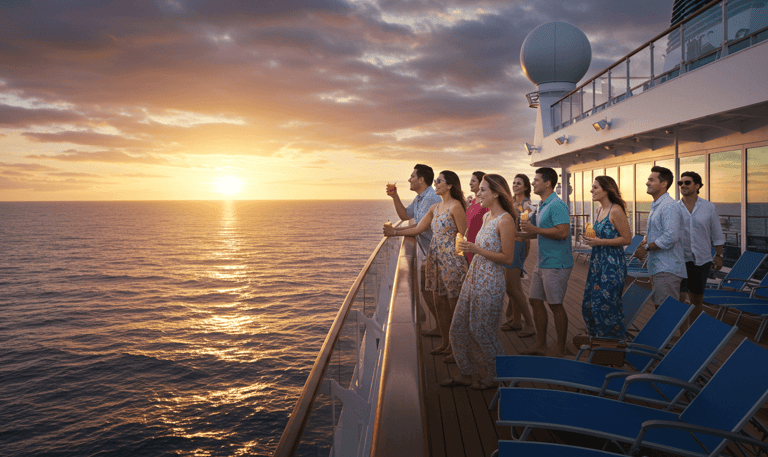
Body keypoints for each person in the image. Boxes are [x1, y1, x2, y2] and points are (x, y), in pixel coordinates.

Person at [441, 174, 516, 390]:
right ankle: (466, 372)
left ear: (496, 193)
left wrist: (476, 249)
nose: (478, 193)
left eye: (483, 190)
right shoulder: (486, 217)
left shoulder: (505, 220)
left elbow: (508, 258)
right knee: (458, 327)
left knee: (482, 330)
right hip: (474, 278)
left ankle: (500, 374)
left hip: (490, 281)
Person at [384, 171, 468, 356]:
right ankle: (446, 343)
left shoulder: (456, 207)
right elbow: (418, 227)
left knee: (454, 305)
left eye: (439, 181)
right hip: (435, 259)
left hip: (452, 261)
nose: (436, 183)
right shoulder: (435, 207)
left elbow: (463, 236)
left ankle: (458, 349)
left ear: (450, 185)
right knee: (439, 302)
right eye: (436, 180)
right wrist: (395, 232)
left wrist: (463, 264)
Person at [518, 167, 573, 358]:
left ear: (547, 183)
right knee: (534, 300)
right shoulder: (542, 204)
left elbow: (563, 232)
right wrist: (519, 234)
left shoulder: (557, 205)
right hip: (543, 262)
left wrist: (534, 229)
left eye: (536, 180)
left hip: (557, 263)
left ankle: (560, 347)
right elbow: (538, 232)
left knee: (556, 305)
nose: (532, 183)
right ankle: (541, 344)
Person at [386, 164, 442, 336]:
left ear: (421, 179)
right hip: (431, 254)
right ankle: (442, 328)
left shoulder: (431, 198)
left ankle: (447, 332)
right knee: (429, 290)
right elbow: (405, 215)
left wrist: (394, 232)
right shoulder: (420, 198)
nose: (409, 179)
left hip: (440, 253)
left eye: (412, 176)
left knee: (439, 295)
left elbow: (420, 227)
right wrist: (395, 196)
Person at [581, 176, 632, 338]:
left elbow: (627, 239)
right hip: (597, 264)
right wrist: (591, 238)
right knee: (589, 304)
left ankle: (612, 344)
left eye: (595, 187)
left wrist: (599, 241)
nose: (591, 190)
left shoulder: (615, 210)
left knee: (606, 305)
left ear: (606, 189)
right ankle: (597, 338)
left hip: (612, 266)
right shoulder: (598, 211)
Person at [677, 171, 724, 331]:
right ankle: (683, 333)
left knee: (697, 298)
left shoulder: (708, 207)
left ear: (697, 185)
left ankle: (693, 331)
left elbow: (717, 232)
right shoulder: (674, 208)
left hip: (701, 260)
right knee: (680, 297)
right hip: (680, 259)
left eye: (687, 182)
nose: (682, 185)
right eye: (680, 183)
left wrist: (719, 255)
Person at [634, 166, 686, 308]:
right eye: (648, 180)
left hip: (667, 268)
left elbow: (670, 237)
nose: (647, 183)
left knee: (666, 311)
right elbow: (657, 232)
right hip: (658, 267)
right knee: (660, 307)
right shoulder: (657, 205)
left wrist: (645, 248)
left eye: (651, 180)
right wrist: (644, 242)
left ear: (664, 184)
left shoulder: (669, 206)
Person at [501, 174, 536, 337]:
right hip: (508, 244)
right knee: (515, 287)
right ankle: (516, 320)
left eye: (519, 183)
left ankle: (529, 323)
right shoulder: (512, 202)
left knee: (511, 287)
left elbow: (527, 229)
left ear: (526, 187)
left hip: (516, 244)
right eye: (513, 183)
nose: (515, 185)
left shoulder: (525, 204)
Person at [465, 171, 489, 264]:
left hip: (478, 247)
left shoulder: (485, 204)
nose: (470, 183)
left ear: (481, 184)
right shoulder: (472, 202)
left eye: (473, 181)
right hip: (468, 245)